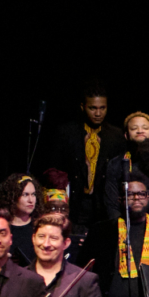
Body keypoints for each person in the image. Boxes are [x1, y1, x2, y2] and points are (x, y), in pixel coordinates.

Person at [47, 90, 114, 220]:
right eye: (93, 108)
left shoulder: (114, 136)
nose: (98, 113)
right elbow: (53, 168)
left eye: (102, 108)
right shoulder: (66, 133)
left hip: (103, 206)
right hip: (72, 203)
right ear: (83, 107)